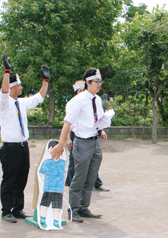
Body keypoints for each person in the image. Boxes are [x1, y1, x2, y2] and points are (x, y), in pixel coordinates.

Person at [51, 68, 114, 223]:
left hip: (95, 142)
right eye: (96, 81)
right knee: (79, 177)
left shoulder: (97, 100)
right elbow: (68, 122)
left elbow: (97, 119)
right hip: (82, 142)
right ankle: (73, 209)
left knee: (91, 177)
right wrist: (61, 143)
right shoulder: (78, 100)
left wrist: (103, 127)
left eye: (100, 81)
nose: (99, 84)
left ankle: (84, 207)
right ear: (88, 82)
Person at [0, 54, 50, 223]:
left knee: (21, 178)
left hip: (22, 146)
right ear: (13, 86)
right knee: (9, 179)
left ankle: (17, 208)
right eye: (18, 84)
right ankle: (6, 211)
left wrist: (45, 80)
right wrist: (7, 71)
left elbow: (39, 98)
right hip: (10, 148)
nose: (21, 86)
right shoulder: (3, 103)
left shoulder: (21, 102)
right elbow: (4, 90)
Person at [65, 80, 110, 192]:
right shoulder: (74, 102)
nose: (81, 92)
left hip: (88, 135)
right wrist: (67, 139)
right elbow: (67, 123)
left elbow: (97, 120)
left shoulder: (91, 101)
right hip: (76, 135)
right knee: (73, 161)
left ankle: (96, 182)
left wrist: (102, 131)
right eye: (79, 90)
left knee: (92, 162)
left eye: (82, 90)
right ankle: (71, 182)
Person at [39, 140, 66, 229]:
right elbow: (41, 172)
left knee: (57, 207)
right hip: (48, 188)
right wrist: (45, 181)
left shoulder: (63, 163)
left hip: (58, 189)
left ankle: (55, 222)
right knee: (44, 205)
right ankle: (42, 220)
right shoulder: (46, 162)